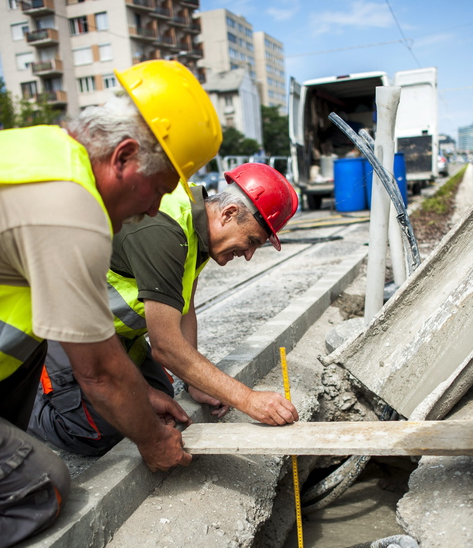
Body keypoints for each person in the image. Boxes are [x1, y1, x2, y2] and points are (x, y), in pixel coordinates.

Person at [0, 59, 222, 548]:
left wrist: (139, 402)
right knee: (42, 489)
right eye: (157, 190)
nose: (150, 210)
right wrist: (151, 439)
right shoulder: (72, 211)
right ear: (123, 157)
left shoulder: (42, 148)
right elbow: (98, 372)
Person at [28, 164, 300, 456]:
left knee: (159, 401)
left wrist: (193, 383)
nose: (248, 255)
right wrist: (248, 400)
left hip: (109, 334)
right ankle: (20, 399)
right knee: (97, 430)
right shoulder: (165, 229)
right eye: (252, 241)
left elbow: (185, 309)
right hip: (55, 321)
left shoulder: (202, 232)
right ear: (229, 213)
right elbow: (166, 348)